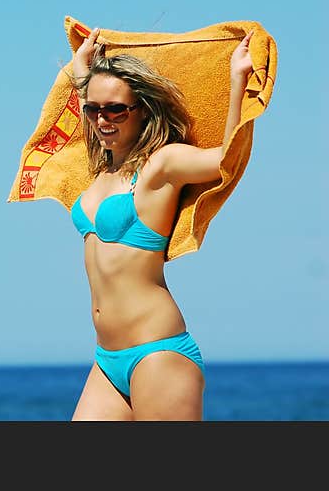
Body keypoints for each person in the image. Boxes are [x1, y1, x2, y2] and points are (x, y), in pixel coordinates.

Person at [67, 26, 254, 421]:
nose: (103, 119)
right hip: (106, 360)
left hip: (157, 352)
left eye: (116, 109)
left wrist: (237, 79)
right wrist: (80, 71)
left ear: (143, 111)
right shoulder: (101, 167)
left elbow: (224, 160)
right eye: (94, 109)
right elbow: (87, 106)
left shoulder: (161, 165)